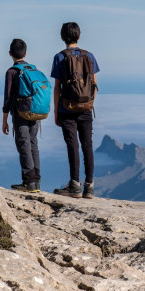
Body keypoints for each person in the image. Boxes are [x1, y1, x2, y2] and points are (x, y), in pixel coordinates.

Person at [51, 22, 100, 198]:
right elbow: (94, 84)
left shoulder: (59, 57)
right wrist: (89, 103)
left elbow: (57, 87)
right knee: (87, 145)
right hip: (86, 108)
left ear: (62, 37)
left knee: (72, 145)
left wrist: (56, 111)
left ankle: (74, 185)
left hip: (66, 108)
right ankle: (90, 186)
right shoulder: (90, 56)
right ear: (79, 36)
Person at [2, 38, 41, 193]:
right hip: (35, 112)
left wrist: (4, 120)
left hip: (20, 113)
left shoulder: (12, 72)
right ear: (25, 53)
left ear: (10, 53)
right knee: (33, 144)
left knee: (24, 144)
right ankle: (36, 180)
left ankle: (29, 182)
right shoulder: (33, 69)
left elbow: (8, 97)